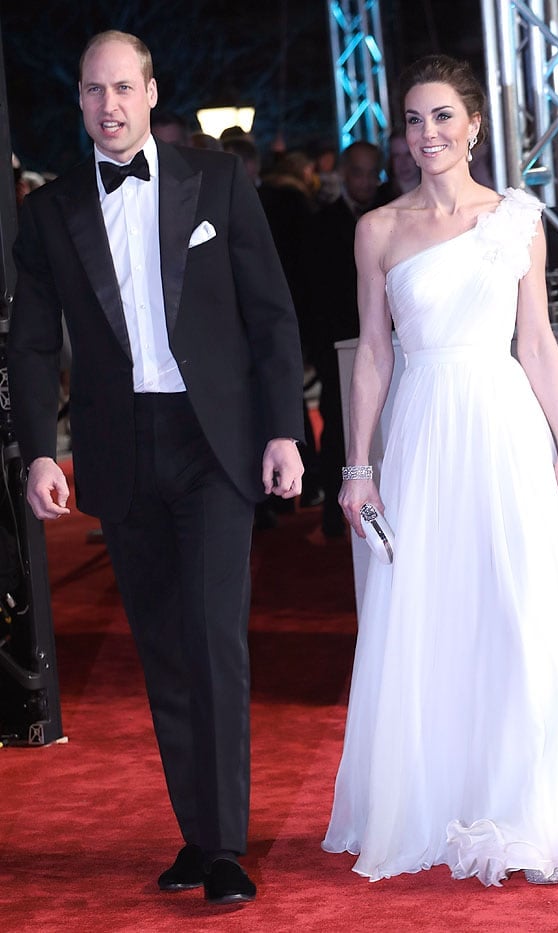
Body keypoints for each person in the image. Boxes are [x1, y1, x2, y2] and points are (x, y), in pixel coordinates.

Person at [322, 55, 558, 886]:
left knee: (524, 604)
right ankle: (439, 793)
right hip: (421, 436)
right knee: (433, 607)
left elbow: (536, 344)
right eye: (414, 120)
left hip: (504, 426)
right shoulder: (377, 230)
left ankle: (537, 797)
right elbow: (374, 356)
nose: (428, 135)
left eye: (443, 117)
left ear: (474, 125)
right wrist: (355, 466)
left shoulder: (515, 219)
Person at [8, 30, 305, 908]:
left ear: (151, 92)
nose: (109, 106)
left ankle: (222, 844)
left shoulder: (214, 181)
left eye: (123, 88)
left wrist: (285, 430)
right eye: (93, 91)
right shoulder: (50, 211)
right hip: (118, 447)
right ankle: (195, 831)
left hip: (212, 440)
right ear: (81, 102)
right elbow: (29, 344)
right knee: (164, 651)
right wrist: (37, 450)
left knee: (214, 640)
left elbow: (273, 316)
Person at [308, 141, 382, 538]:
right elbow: (313, 292)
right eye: (358, 172)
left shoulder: (393, 215)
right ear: (343, 173)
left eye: (373, 172)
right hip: (339, 346)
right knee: (338, 428)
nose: (366, 181)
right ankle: (334, 520)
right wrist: (322, 350)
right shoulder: (321, 225)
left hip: (383, 341)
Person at [374, 128, 421, 206]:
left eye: (409, 154)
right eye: (396, 156)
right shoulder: (378, 198)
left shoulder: (436, 192)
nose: (403, 162)